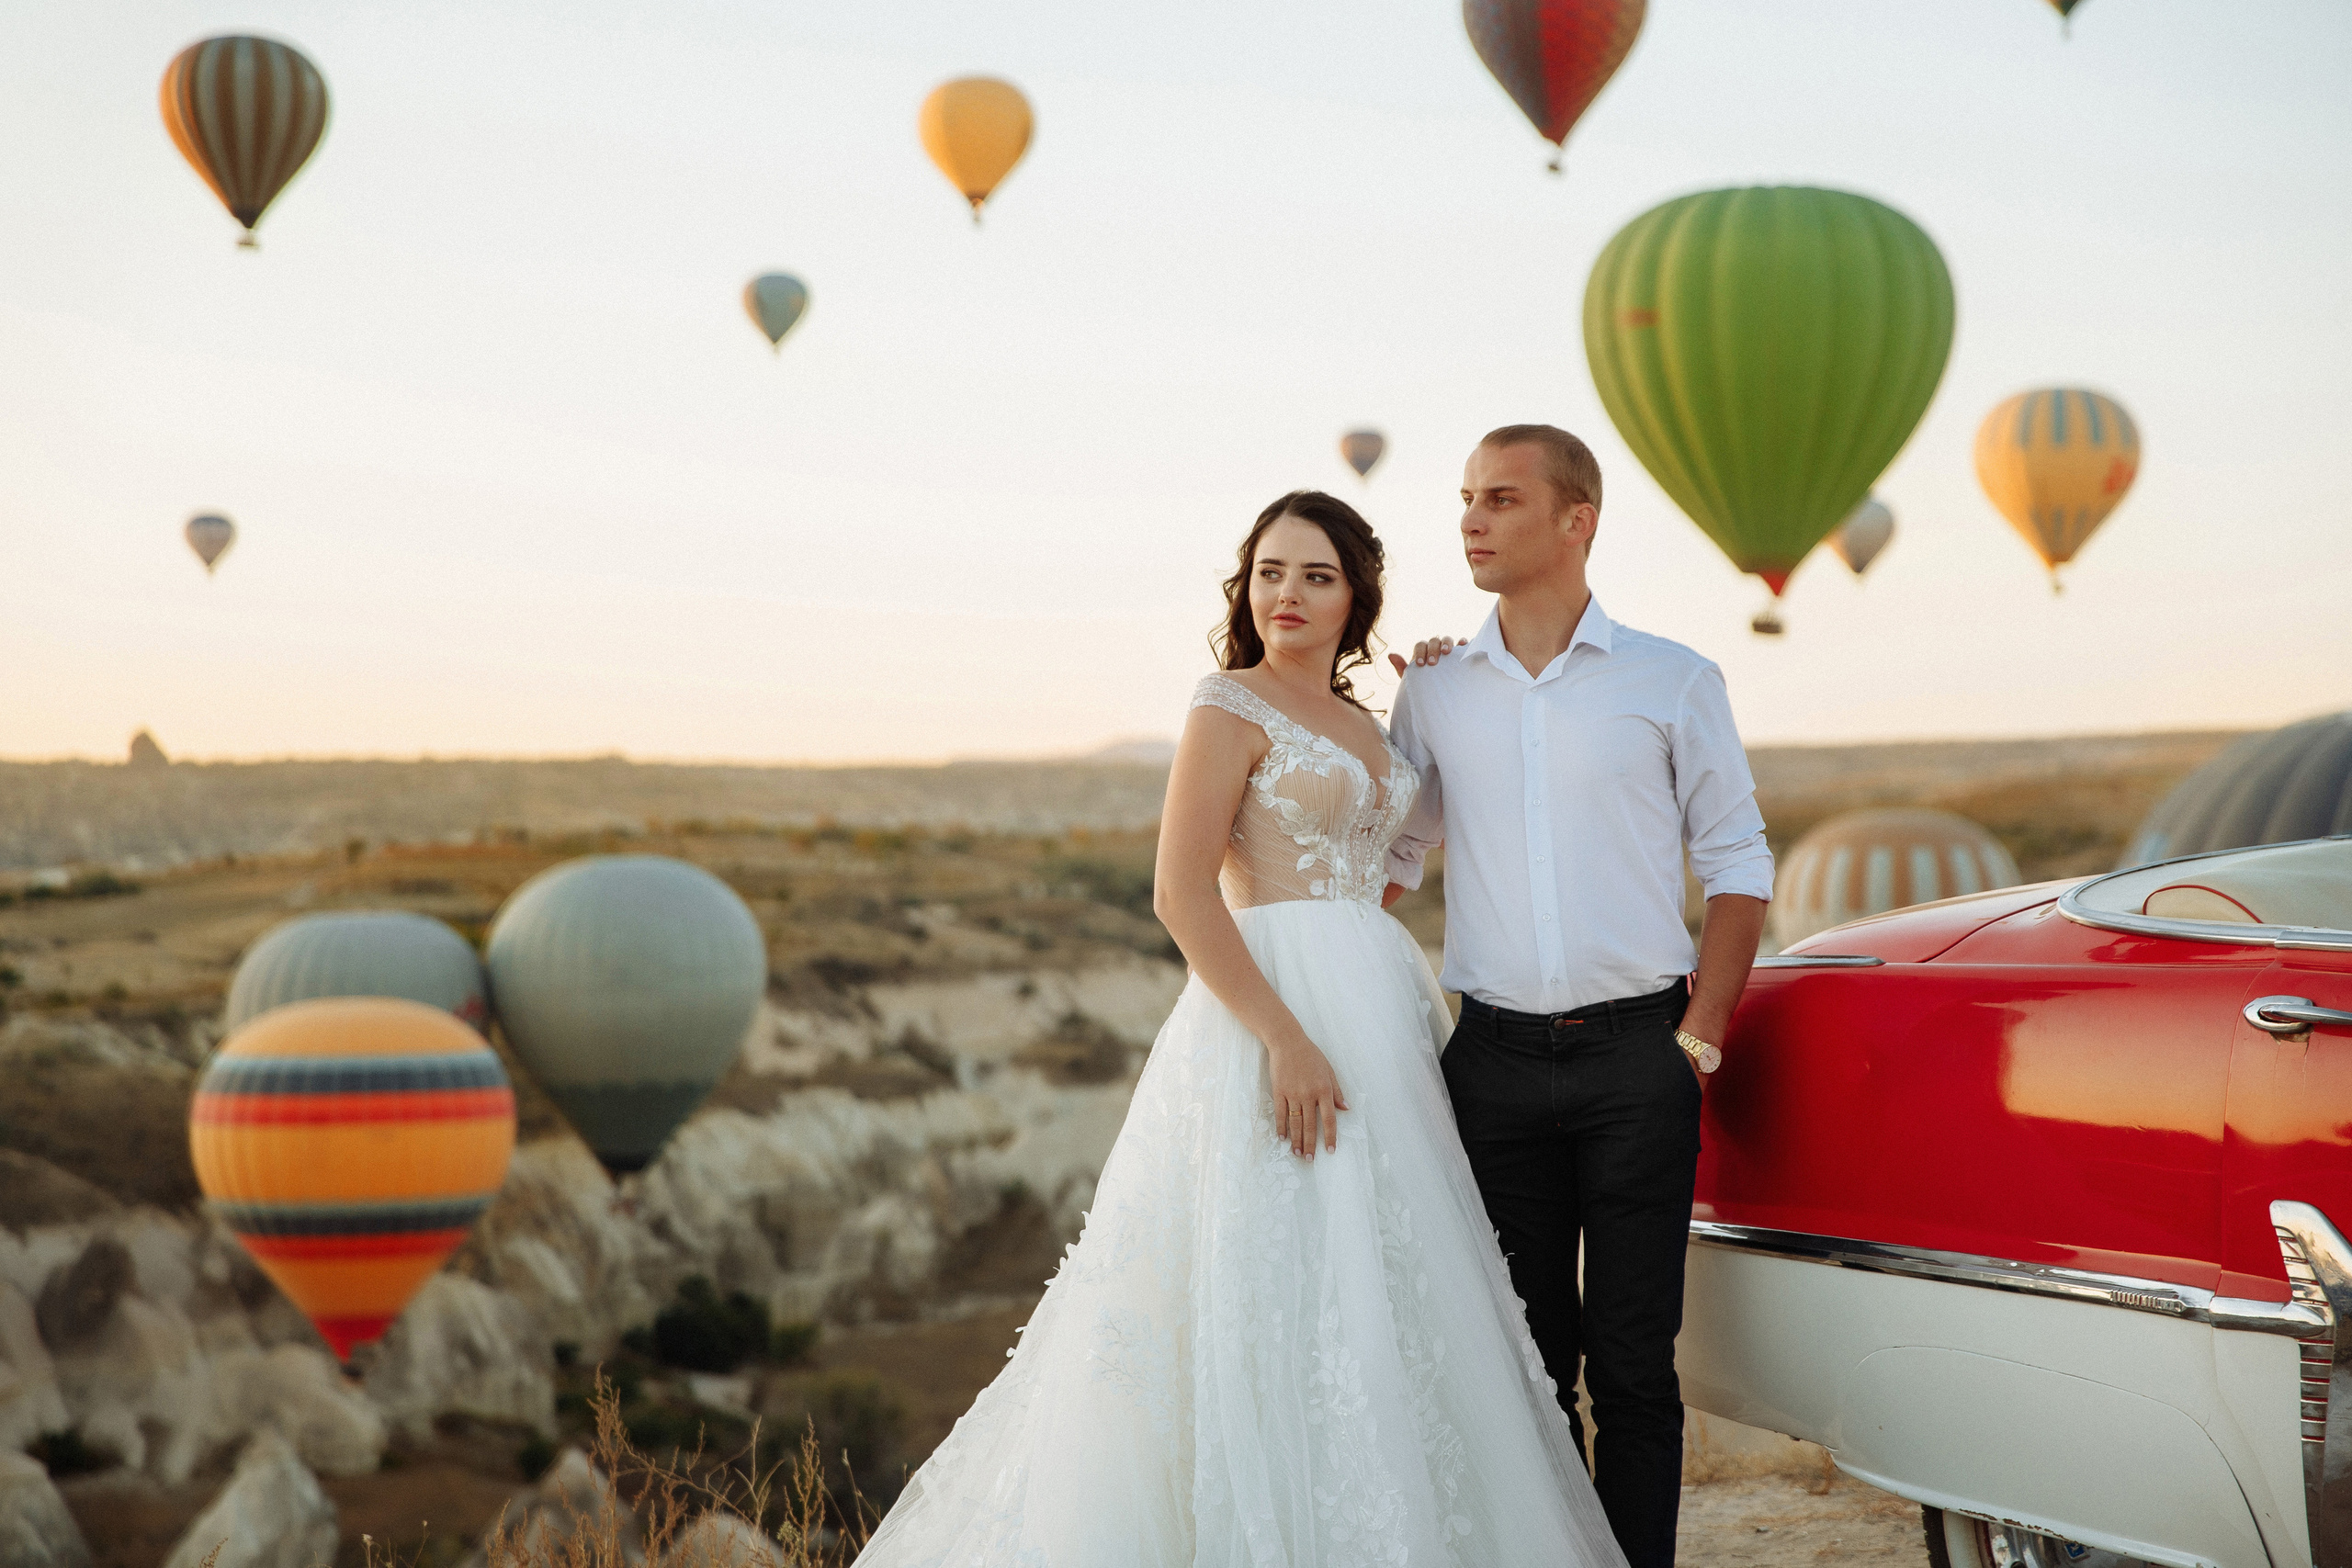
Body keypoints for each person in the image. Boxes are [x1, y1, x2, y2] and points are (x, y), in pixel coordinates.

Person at [854, 490, 1628, 1567]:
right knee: (1271, 1268)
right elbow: (1180, 894)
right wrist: (1284, 1038)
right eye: (1269, 572)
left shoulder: (1369, 719)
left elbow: (1387, 860)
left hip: (1380, 1008)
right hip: (1271, 1014)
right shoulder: (1227, 703)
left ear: (1355, 597)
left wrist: (1445, 679)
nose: (1287, 594)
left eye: (1316, 576)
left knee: (1389, 1274)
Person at [1382, 425, 1773, 1568]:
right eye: (1464, 498)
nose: (1470, 520)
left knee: (1634, 1369)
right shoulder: (1433, 692)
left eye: (1500, 499)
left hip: (1638, 1062)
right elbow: (1393, 858)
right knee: (1526, 1367)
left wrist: (1697, 1038)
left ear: (1575, 519)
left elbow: (1738, 861)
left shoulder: (1673, 679)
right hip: (1490, 1067)